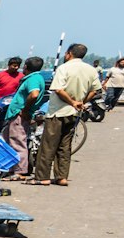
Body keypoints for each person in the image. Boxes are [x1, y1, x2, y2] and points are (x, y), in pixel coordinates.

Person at [37, 43, 101, 186]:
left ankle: (43, 177)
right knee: (65, 145)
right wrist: (81, 102)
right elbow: (95, 90)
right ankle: (62, 177)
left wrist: (72, 102)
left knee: (48, 145)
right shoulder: (90, 70)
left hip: (58, 111)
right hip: (74, 113)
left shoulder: (64, 68)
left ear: (69, 53)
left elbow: (58, 89)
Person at [3, 55, 48, 180]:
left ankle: (19, 171)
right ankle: (11, 168)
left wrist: (25, 109)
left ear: (26, 67)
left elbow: (34, 94)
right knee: (10, 141)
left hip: (20, 114)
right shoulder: (34, 78)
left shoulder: (33, 79)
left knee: (18, 142)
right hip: (16, 114)